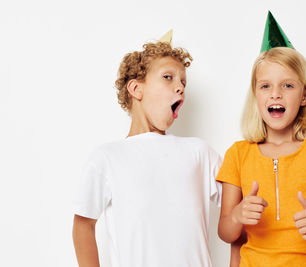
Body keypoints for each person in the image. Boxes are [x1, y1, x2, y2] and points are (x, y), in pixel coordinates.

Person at [72, 31, 222, 267]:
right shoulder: (107, 158)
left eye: (183, 82)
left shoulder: (199, 153)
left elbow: (238, 210)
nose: (180, 87)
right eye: (168, 77)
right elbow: (83, 224)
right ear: (136, 89)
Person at [217, 12, 306, 267]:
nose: (275, 94)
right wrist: (237, 216)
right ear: (255, 95)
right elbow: (225, 232)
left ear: (304, 96)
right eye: (265, 86)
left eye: (288, 86)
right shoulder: (237, 154)